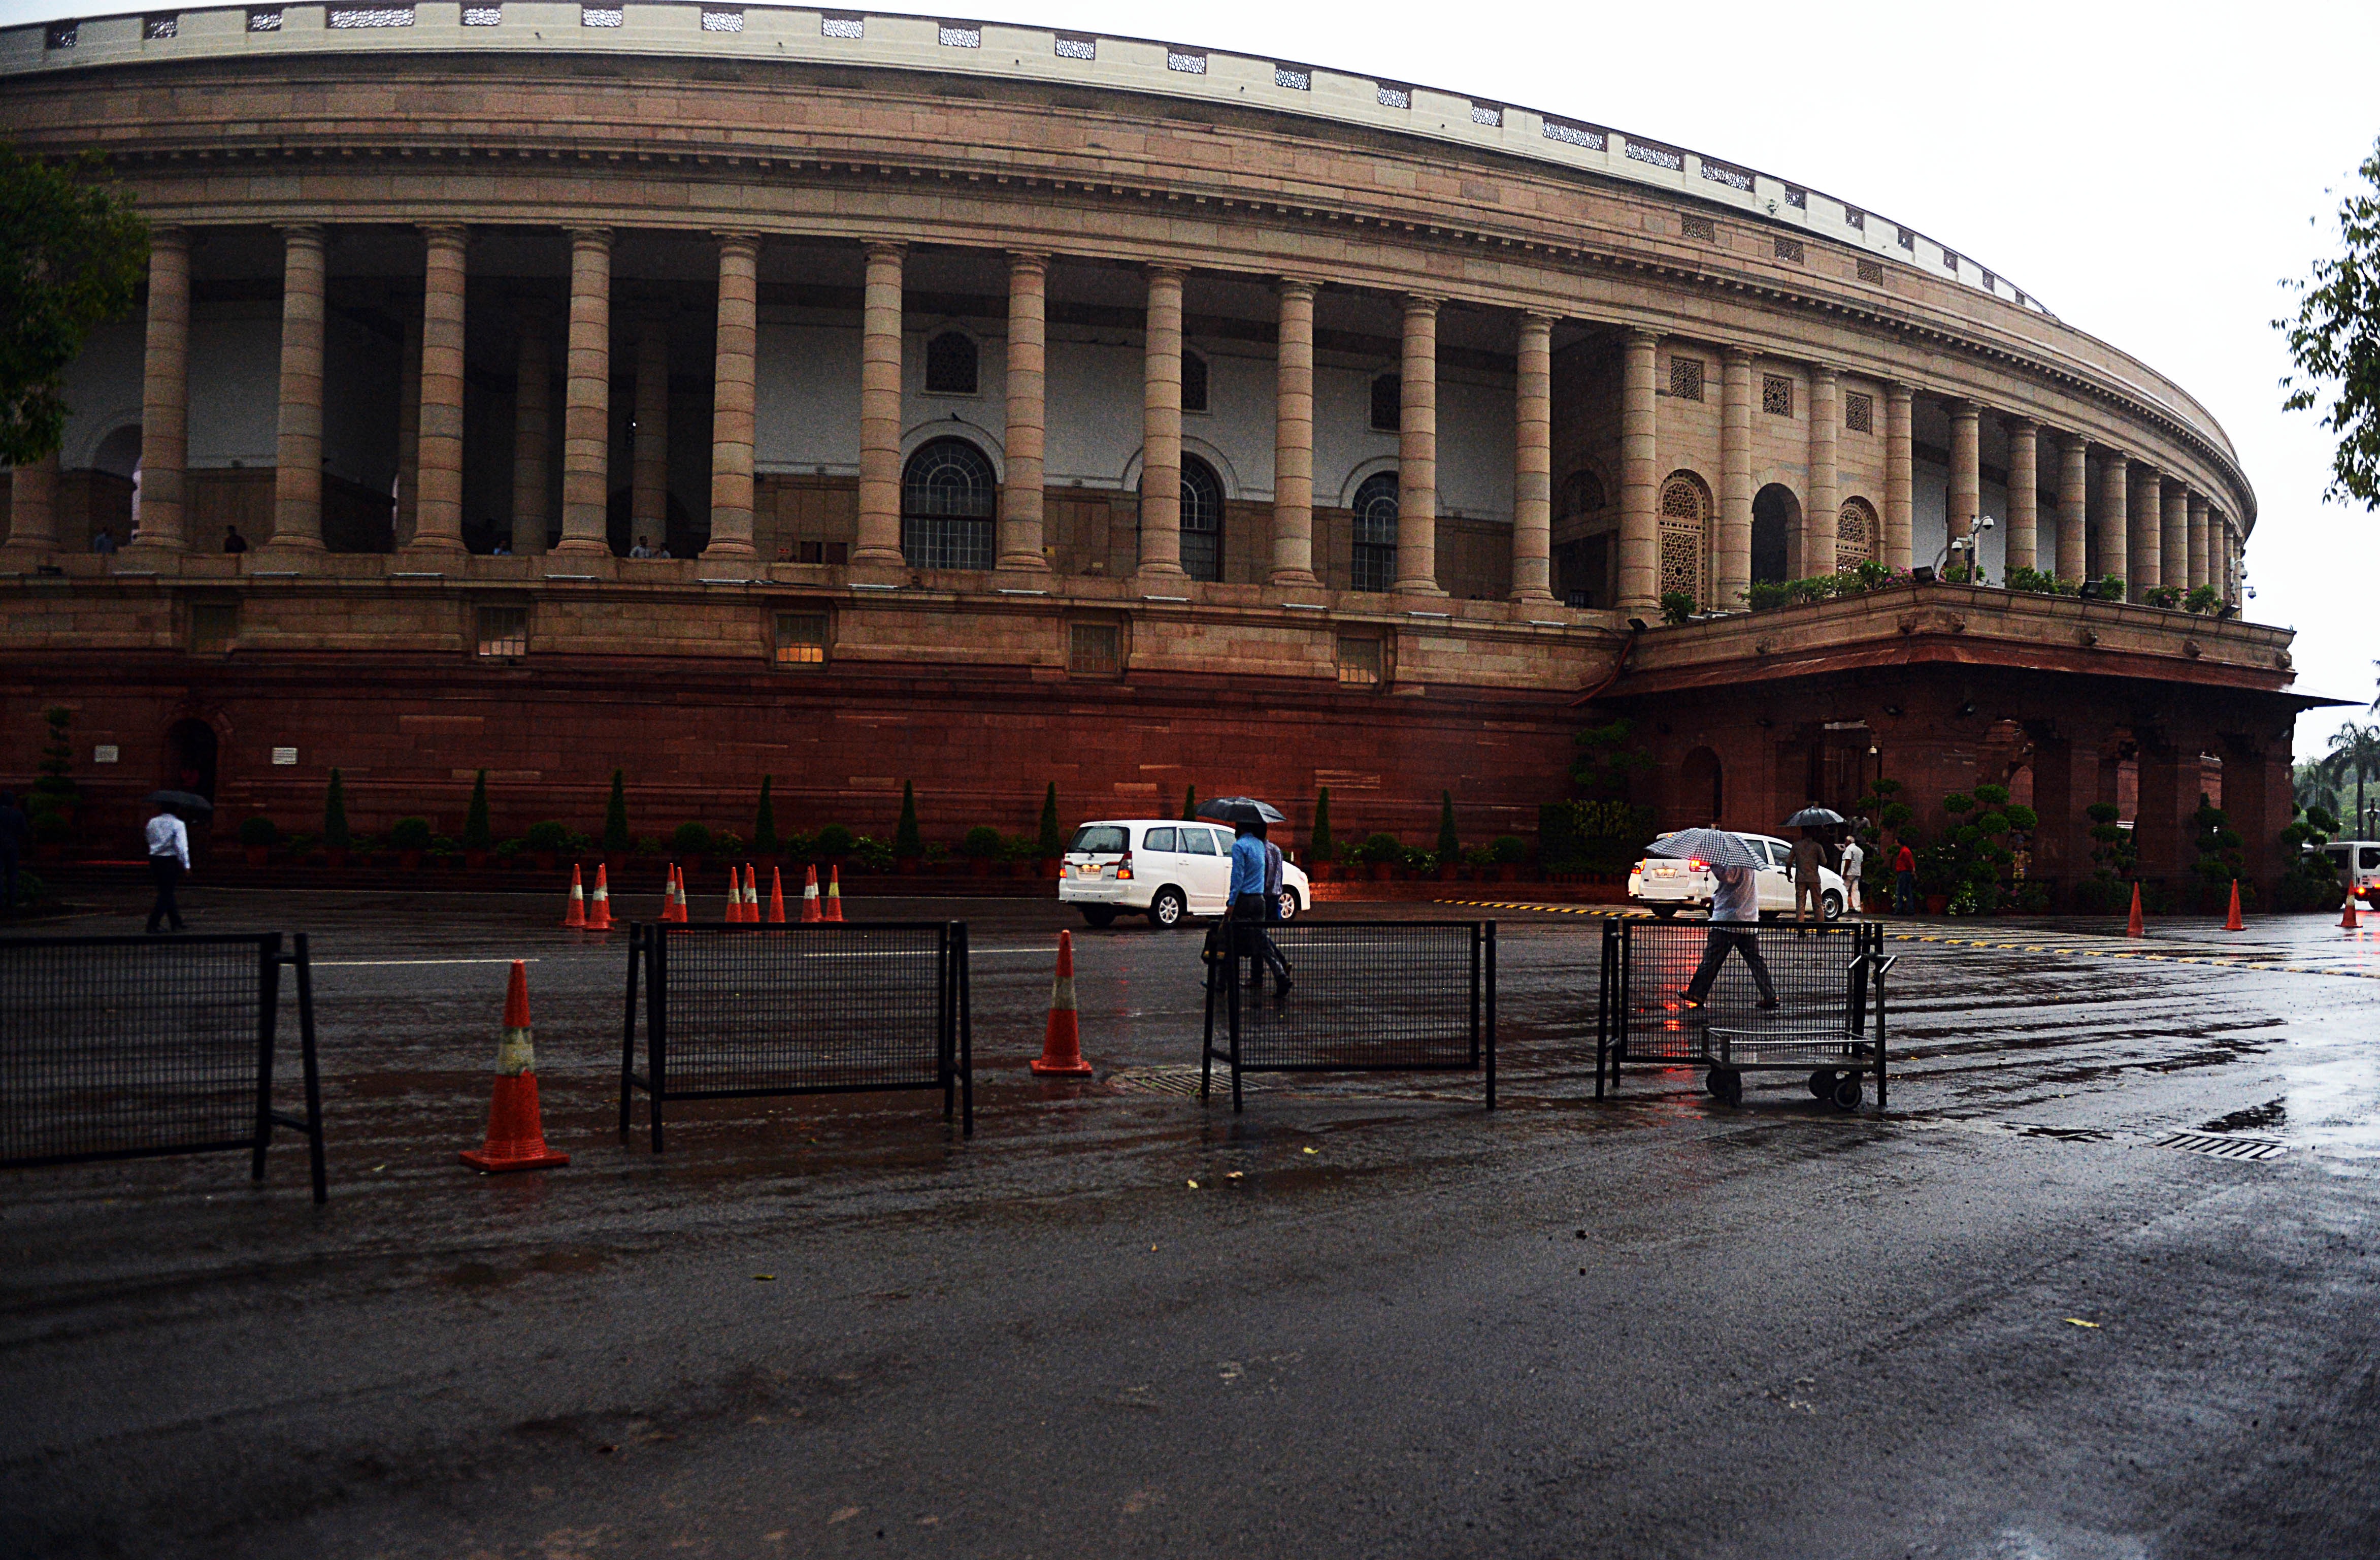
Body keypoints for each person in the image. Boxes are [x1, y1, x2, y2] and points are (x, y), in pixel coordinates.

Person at [1681, 857, 1777, 1010]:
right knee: (1756, 962)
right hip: (1747, 921)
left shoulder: (1733, 864)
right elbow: (1734, 891)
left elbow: (1728, 877)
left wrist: (1713, 864)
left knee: (1712, 960)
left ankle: (1696, 994)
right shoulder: (1748, 865)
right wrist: (1713, 898)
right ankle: (1770, 995)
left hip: (1727, 921)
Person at [1249, 821, 1293, 995]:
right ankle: (1260, 975)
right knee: (1261, 934)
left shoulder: (1261, 851)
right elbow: (1279, 874)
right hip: (1275, 894)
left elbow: (1264, 876)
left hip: (1264, 895)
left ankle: (1276, 966)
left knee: (1259, 936)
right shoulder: (1276, 849)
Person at [145, 801, 190, 934]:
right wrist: (186, 865)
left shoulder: (153, 822)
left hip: (155, 858)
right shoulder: (178, 824)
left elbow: (148, 837)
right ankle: (153, 923)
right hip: (169, 859)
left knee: (165, 891)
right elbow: (182, 846)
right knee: (166, 893)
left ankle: (176, 921)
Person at [1790, 826, 1827, 929]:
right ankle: (1820, 928)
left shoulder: (1796, 846)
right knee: (1818, 904)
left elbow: (1788, 861)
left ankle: (1801, 927)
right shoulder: (1817, 847)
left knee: (1800, 904)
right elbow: (1824, 862)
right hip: (1814, 878)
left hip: (1801, 878)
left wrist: (1789, 873)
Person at [0, 790, 28, 921]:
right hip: (12, 846)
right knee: (12, 875)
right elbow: (24, 831)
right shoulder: (18, 814)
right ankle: (12, 901)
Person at [1840, 833, 1865, 917]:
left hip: (1849, 873)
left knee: (1845, 889)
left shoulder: (1849, 849)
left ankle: (1843, 906)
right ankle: (1857, 908)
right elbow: (1862, 863)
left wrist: (1844, 872)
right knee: (1855, 890)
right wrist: (1860, 872)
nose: (1845, 843)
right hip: (1857, 873)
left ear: (1849, 842)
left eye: (1846, 841)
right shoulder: (1860, 850)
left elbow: (1848, 861)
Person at [1893, 839, 1918, 915]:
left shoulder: (1905, 851)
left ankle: (1899, 909)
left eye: (1896, 842)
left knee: (1900, 891)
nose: (1895, 844)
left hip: (1904, 872)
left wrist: (1912, 870)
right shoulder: (1905, 850)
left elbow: (1909, 862)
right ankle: (1910, 910)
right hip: (1906, 872)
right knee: (1907, 891)